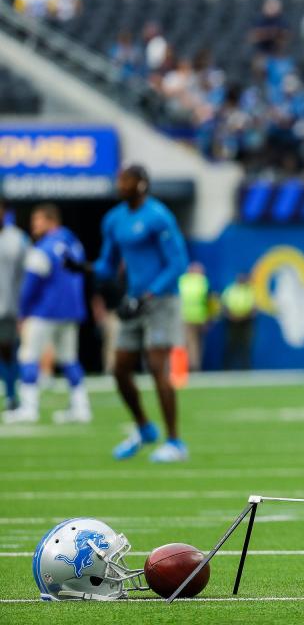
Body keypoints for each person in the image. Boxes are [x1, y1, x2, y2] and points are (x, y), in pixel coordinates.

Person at [92, 165, 189, 462]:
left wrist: (149, 294)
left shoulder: (159, 216)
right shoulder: (114, 219)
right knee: (120, 369)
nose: (121, 184)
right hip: (133, 301)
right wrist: (82, 268)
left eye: (127, 180)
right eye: (120, 179)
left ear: (142, 184)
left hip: (161, 301)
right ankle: (145, 427)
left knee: (157, 366)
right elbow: (107, 264)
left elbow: (178, 263)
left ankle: (174, 441)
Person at [3, 204, 90, 425]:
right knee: (69, 358)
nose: (34, 226)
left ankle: (29, 408)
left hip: (44, 311)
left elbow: (30, 285)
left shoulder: (43, 248)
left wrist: (23, 313)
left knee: (28, 356)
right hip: (71, 310)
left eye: (37, 221)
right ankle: (81, 407)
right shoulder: (74, 243)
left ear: (51, 221)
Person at [0, 200, 28, 411]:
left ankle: (12, 395)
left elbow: (28, 275)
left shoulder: (18, 238)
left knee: (8, 351)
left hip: (8, 306)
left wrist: (24, 307)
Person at [179, 262, 211, 371]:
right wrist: (207, 318)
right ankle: (193, 366)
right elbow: (207, 301)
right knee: (194, 343)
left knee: (188, 342)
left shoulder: (182, 280)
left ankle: (188, 366)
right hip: (197, 317)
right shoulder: (202, 281)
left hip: (185, 316)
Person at [221, 273, 255, 371]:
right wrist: (231, 316)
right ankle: (226, 369)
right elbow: (224, 305)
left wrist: (244, 316)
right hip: (232, 321)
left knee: (246, 345)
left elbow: (254, 307)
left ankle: (246, 368)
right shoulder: (230, 290)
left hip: (246, 322)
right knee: (231, 345)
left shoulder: (249, 291)